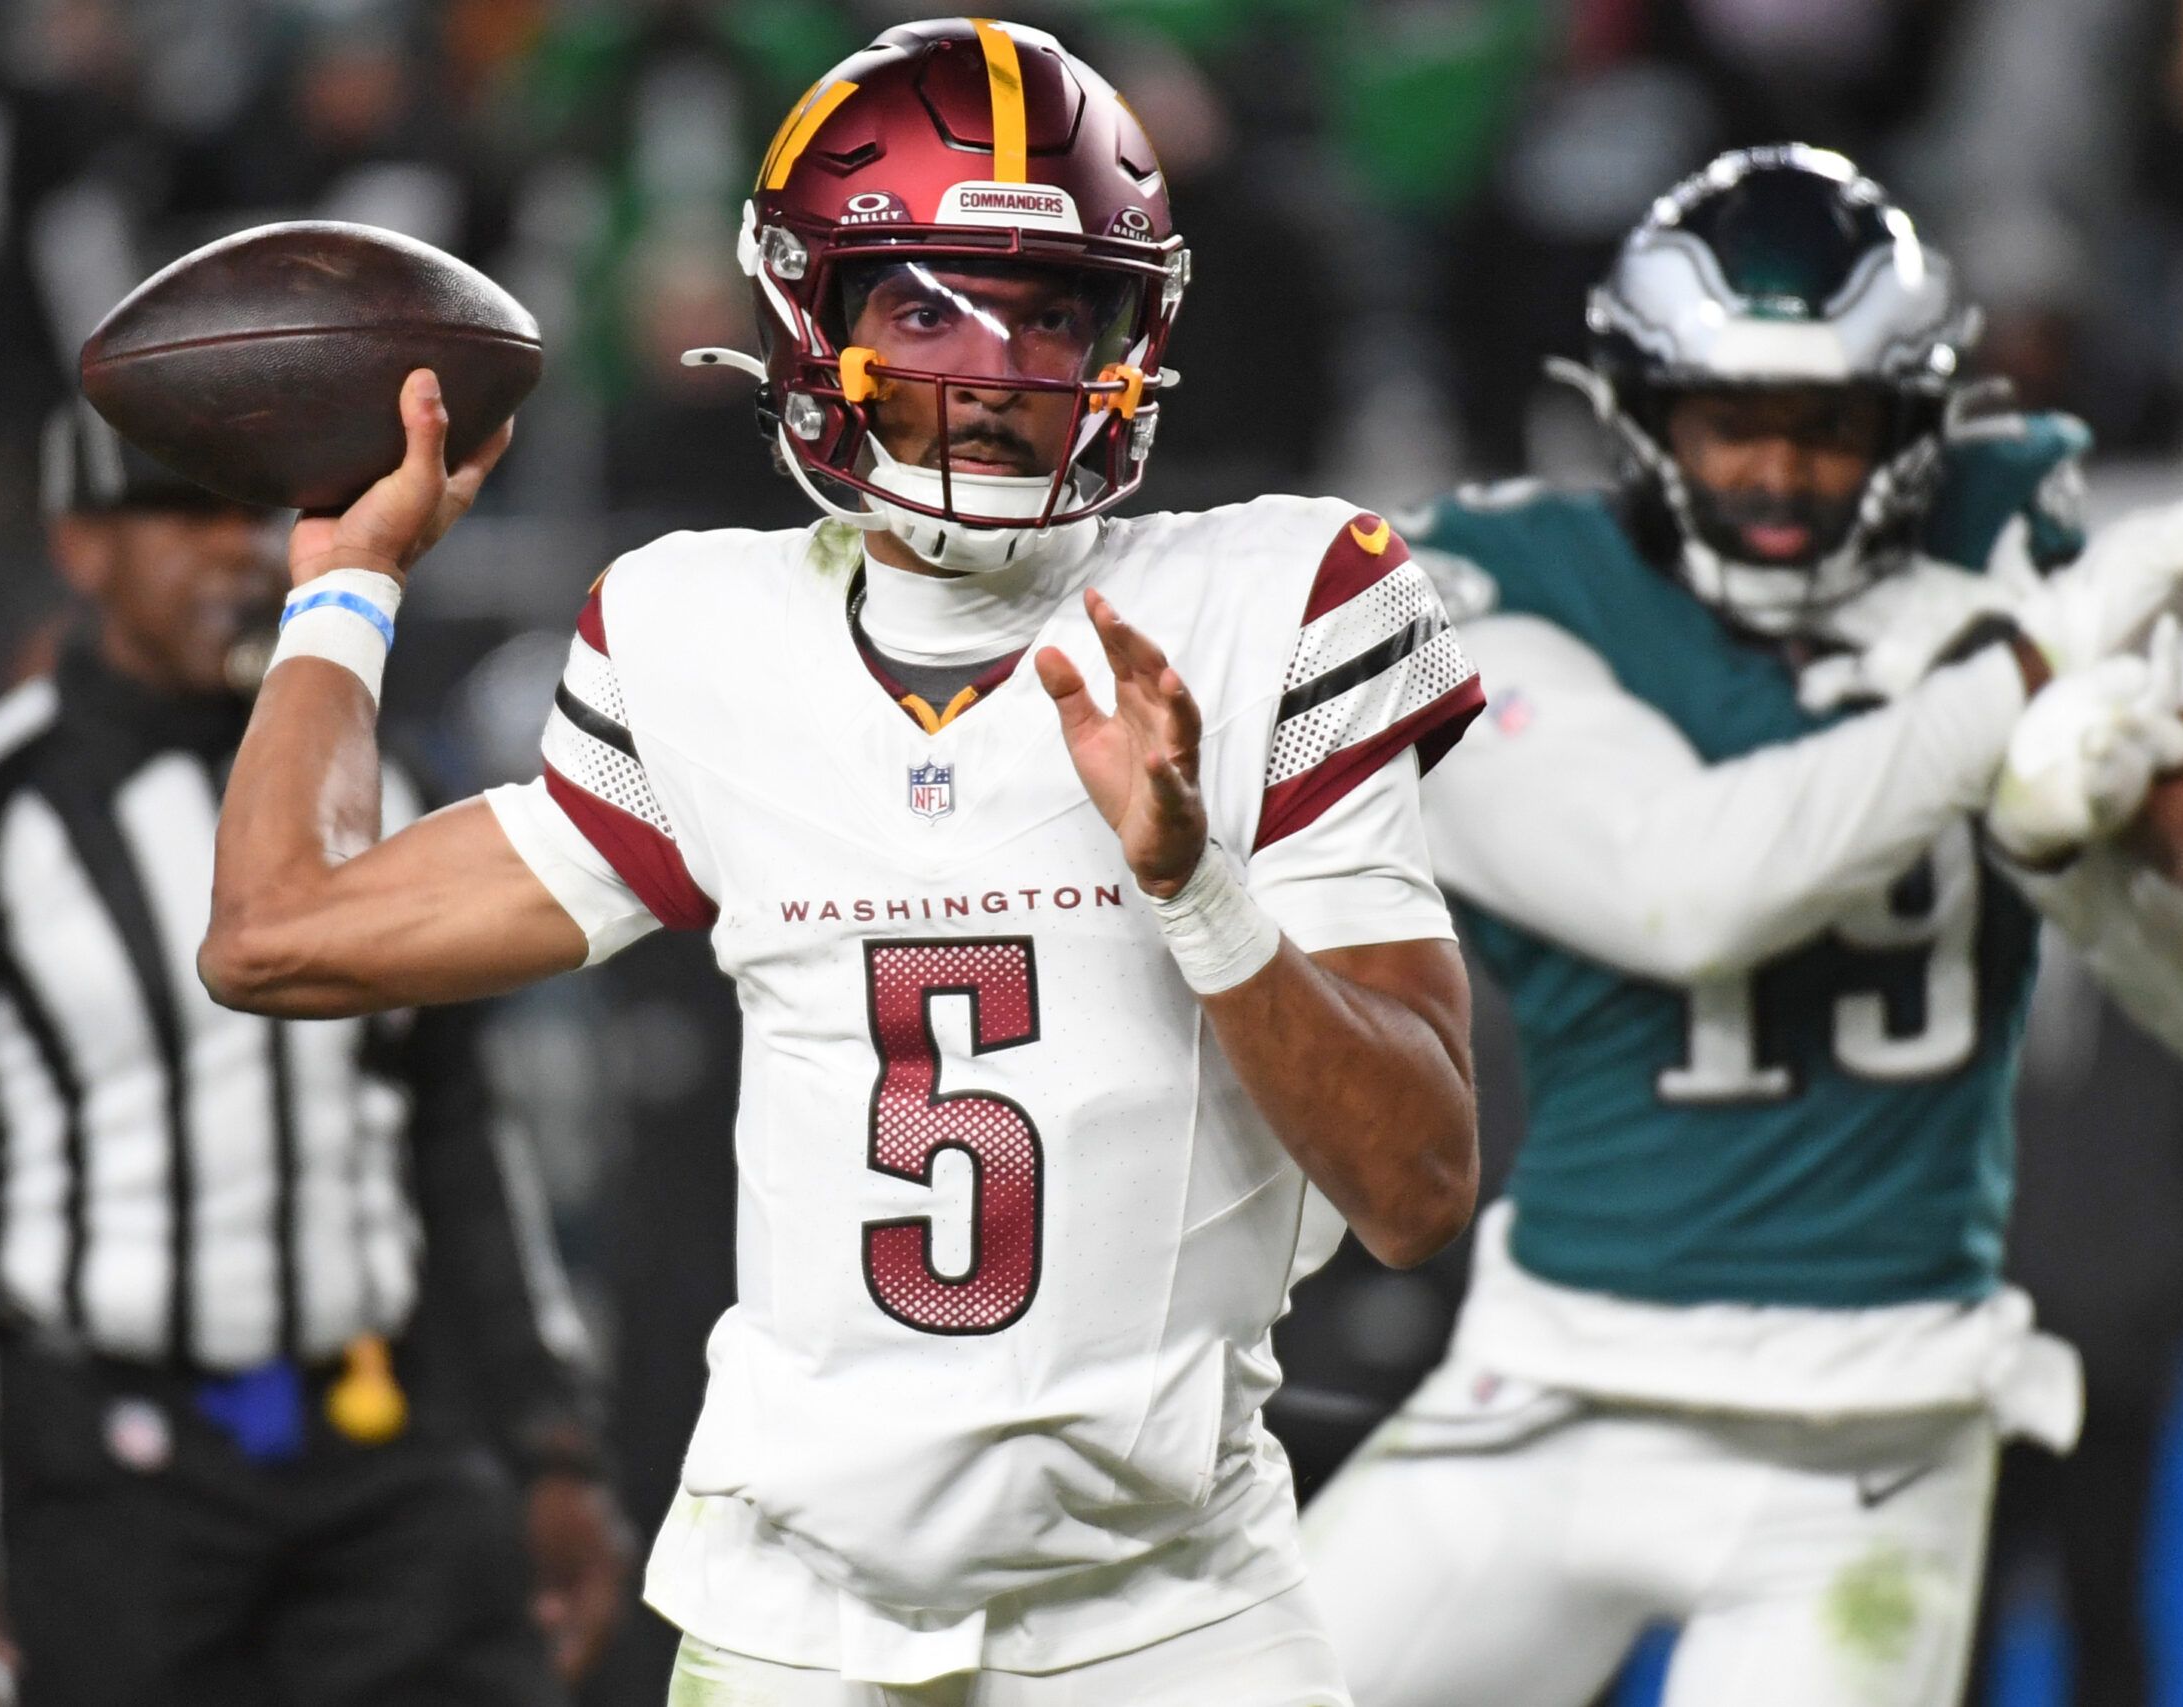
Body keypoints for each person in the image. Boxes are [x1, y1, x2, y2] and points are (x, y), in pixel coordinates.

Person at [195, 18, 1485, 1705]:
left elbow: (1417, 1190)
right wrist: (348, 584)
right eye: (927, 302)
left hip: (1174, 1621)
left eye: (1051, 310)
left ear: (1132, 334)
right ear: (816, 316)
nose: (997, 366)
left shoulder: (1275, 603)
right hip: (791, 1620)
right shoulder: (701, 633)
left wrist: (1196, 886)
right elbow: (274, 935)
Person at [1301, 143, 2183, 1707]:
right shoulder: (1508, 593)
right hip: (1546, 1390)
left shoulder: (2003, 595)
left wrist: (2105, 882)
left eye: (1829, 424)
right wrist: (2013, 691)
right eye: (1732, 422)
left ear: (1910, 420)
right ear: (1639, 414)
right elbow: (1677, 889)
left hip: (1869, 1445)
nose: (1778, 475)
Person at [0, 406, 627, 1706]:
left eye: (262, 517)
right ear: (81, 546)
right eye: (189, 514)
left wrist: (549, 1440)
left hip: (384, 1441)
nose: (237, 553)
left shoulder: (377, 773)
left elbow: (458, 1130)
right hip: (109, 1481)